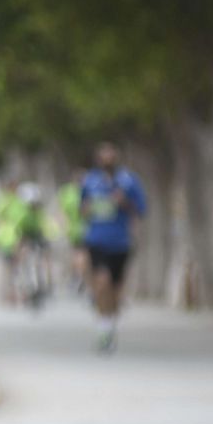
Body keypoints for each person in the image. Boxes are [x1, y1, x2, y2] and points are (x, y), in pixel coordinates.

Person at [80, 142, 146, 352]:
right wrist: (88, 207)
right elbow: (81, 209)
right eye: (103, 156)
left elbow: (141, 210)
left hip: (120, 242)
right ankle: (103, 325)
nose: (107, 160)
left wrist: (123, 202)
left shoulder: (128, 181)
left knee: (116, 291)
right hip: (96, 240)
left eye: (111, 156)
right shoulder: (90, 181)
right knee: (102, 282)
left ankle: (110, 323)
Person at [56, 170, 88, 292]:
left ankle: (78, 276)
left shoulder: (67, 192)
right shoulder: (84, 191)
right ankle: (79, 276)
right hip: (83, 228)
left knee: (77, 254)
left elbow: (61, 211)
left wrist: (62, 225)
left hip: (73, 228)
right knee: (82, 254)